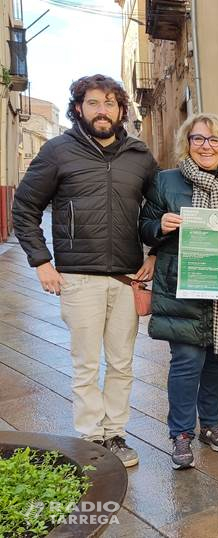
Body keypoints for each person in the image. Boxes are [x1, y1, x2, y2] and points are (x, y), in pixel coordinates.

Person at [12, 74, 157, 467]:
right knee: (86, 364)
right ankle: (91, 437)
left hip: (127, 277)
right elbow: (23, 208)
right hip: (78, 276)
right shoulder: (58, 151)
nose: (102, 110)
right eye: (93, 103)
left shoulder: (140, 157)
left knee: (123, 362)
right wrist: (41, 261)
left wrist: (155, 254)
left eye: (110, 103)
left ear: (121, 110)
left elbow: (158, 210)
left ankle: (116, 434)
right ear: (79, 108)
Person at [139, 113, 218, 470]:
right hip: (182, 284)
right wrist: (158, 225)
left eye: (214, 140)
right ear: (187, 144)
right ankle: (181, 434)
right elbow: (143, 226)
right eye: (199, 139)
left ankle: (212, 424)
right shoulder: (165, 182)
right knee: (188, 360)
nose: (207, 146)